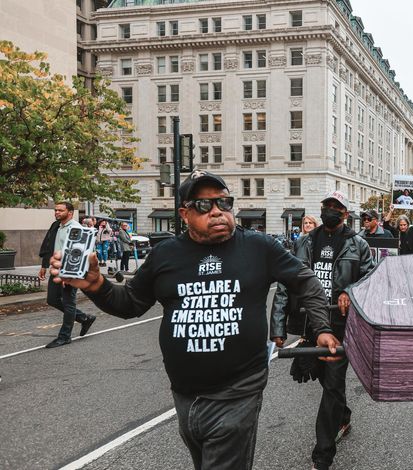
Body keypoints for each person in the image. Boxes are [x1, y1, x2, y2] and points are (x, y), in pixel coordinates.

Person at [50, 170, 339, 470]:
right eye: (204, 205)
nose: (217, 211)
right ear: (184, 214)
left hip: (238, 391)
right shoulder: (165, 254)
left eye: (224, 203)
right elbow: (131, 303)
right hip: (184, 395)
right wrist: (97, 285)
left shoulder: (259, 247)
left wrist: (321, 328)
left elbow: (306, 281)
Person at [272, 190, 373, 470]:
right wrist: (278, 325)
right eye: (326, 205)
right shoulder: (304, 242)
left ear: (345, 214)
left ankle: (322, 456)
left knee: (333, 384)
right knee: (321, 377)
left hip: (342, 327)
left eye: (336, 207)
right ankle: (343, 415)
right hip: (310, 324)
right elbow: (286, 283)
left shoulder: (358, 244)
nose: (330, 210)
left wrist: (350, 291)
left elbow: (370, 279)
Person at [37, 202, 97, 348]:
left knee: (68, 302)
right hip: (56, 269)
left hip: (70, 272)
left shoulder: (77, 229)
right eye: (55, 210)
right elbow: (49, 246)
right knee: (52, 300)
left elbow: (81, 253)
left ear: (70, 212)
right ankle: (84, 318)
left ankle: (64, 337)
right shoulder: (56, 226)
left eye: (60, 210)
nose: (57, 212)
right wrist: (44, 266)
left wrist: (70, 274)